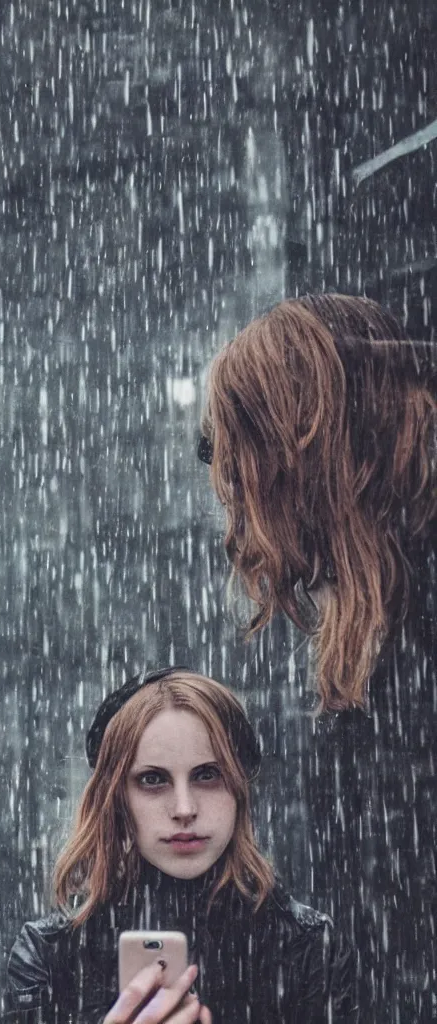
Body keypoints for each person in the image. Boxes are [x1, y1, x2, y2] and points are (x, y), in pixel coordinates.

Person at [199, 293, 437, 1019]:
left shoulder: (414, 623)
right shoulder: (387, 623)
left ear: (313, 451)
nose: (241, 513)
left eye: (250, 467)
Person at [3, 668, 356, 1023]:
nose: (185, 809)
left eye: (207, 774)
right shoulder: (50, 954)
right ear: (117, 798)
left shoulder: (307, 946)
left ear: (239, 786)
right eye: (153, 779)